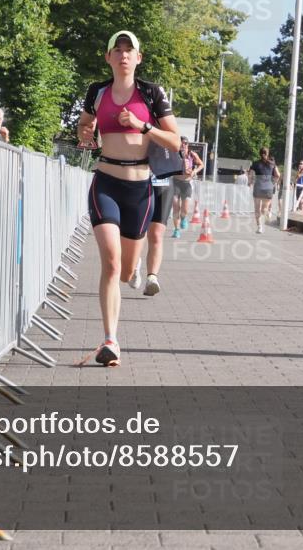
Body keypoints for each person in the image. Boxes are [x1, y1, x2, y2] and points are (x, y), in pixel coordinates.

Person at [76, 30, 181, 366]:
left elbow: (176, 142)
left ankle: (134, 270)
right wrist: (86, 134)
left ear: (139, 57)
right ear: (108, 57)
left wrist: (142, 125)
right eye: (116, 50)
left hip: (139, 188)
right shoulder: (97, 91)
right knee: (110, 262)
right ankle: (111, 341)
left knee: (125, 270)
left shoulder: (151, 94)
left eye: (129, 50)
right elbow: (84, 127)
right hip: (105, 181)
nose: (123, 55)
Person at [171, 137, 203, 238]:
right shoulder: (174, 154)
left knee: (184, 209)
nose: (183, 145)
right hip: (175, 182)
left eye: (185, 143)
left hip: (186, 183)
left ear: (188, 145)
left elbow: (201, 164)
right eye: (181, 143)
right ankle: (176, 230)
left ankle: (183, 218)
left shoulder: (192, 154)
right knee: (176, 206)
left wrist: (194, 172)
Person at [248, 147, 280, 234]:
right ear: (268, 154)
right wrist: (273, 183)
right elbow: (278, 175)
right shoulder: (272, 164)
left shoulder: (255, 164)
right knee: (264, 209)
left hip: (258, 187)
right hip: (268, 189)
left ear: (259, 153)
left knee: (257, 208)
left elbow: (250, 174)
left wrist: (250, 182)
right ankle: (266, 216)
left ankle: (259, 227)